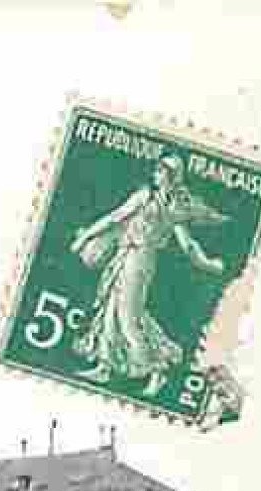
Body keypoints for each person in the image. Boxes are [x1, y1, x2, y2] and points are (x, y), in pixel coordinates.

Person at [70, 153, 230, 398]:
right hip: (125, 256)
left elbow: (188, 245)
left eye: (160, 171)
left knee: (128, 316)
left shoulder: (173, 207)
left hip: (141, 261)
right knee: (111, 310)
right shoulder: (145, 196)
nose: (155, 174)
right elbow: (115, 218)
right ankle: (105, 366)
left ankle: (157, 371)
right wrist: (86, 236)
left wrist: (208, 264)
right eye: (156, 170)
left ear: (170, 177)